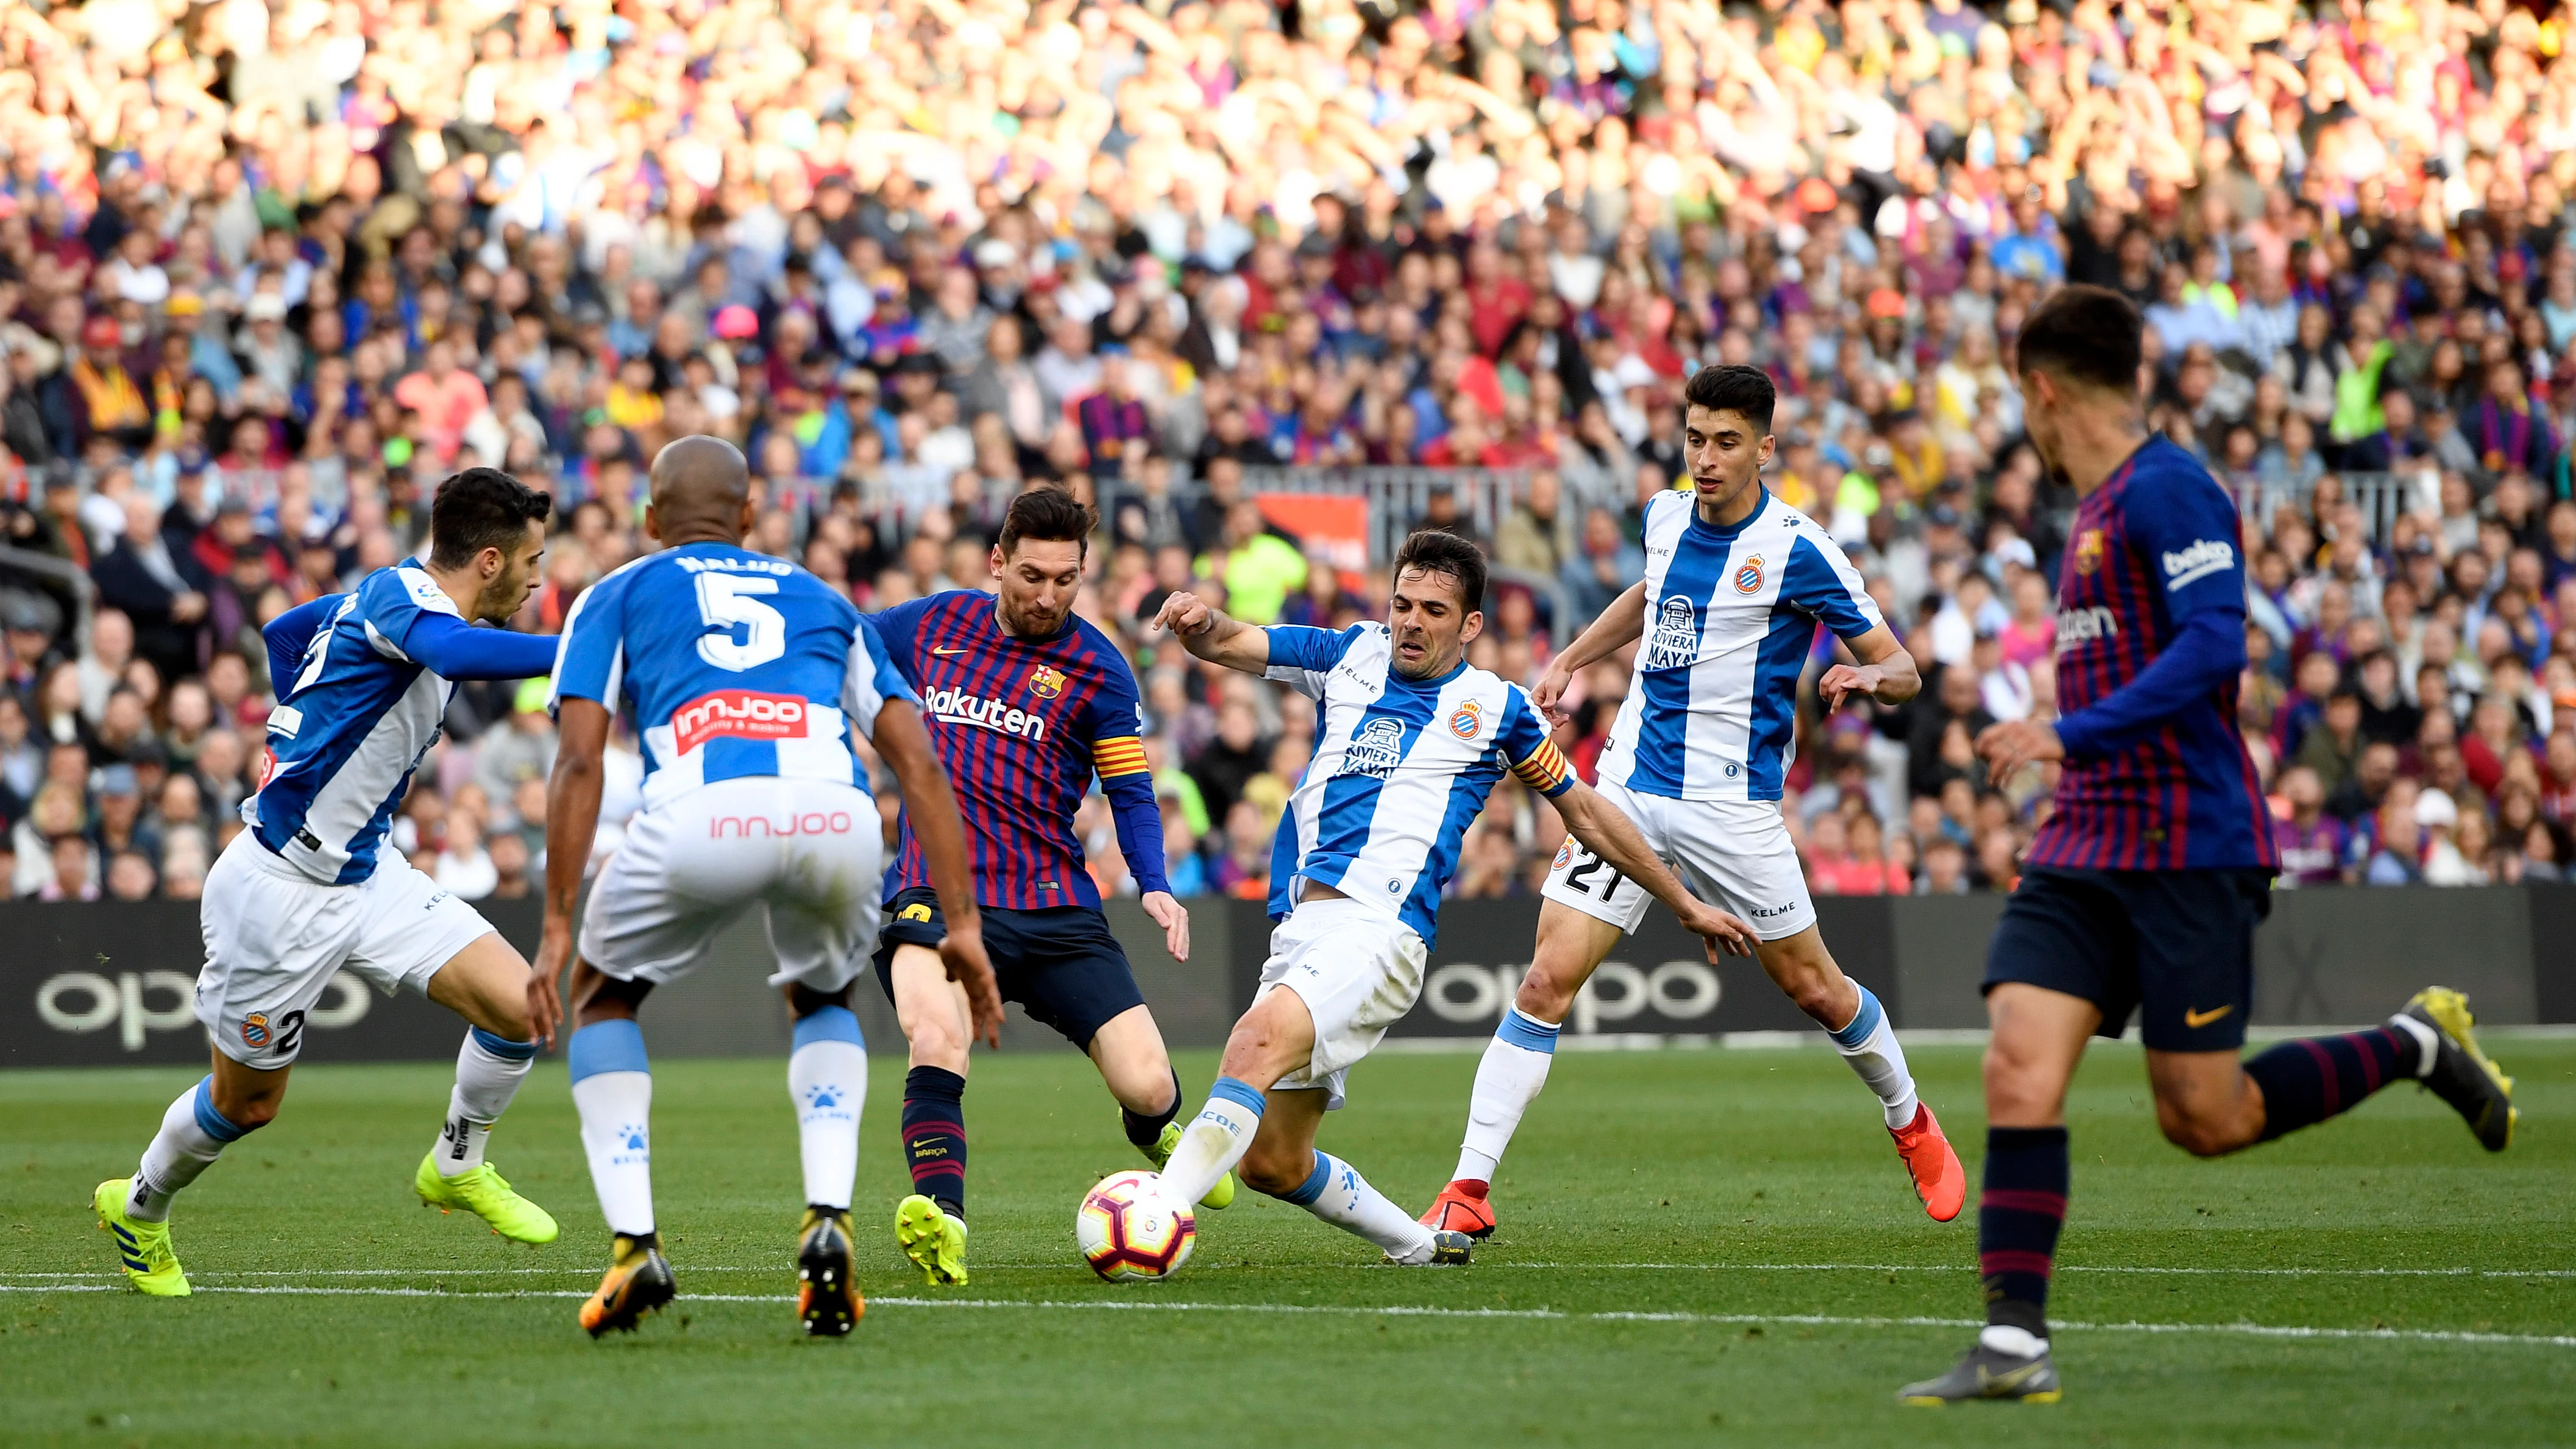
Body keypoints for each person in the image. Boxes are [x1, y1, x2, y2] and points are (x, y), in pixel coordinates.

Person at [1900, 286, 2518, 1406]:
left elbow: (2215, 647)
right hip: (2085, 837)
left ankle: (2416, 1043)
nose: (2022, 422)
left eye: (2019, 399)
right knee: (2016, 1059)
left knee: (2206, 1116)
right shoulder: (2089, 510)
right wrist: (2067, 748)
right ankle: (2011, 1340)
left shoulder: (2168, 487)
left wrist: (2062, 729)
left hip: (2187, 838)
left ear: (2042, 387)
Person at [1419, 364, 1962, 1242]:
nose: (1704, 459)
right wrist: (1573, 656)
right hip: (1628, 788)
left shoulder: (1798, 548)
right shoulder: (1664, 515)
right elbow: (1650, 593)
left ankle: (1907, 1116)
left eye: (1725, 442)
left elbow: (1904, 667)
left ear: (1764, 448)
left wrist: (1866, 673)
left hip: (1730, 810)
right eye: (1694, 439)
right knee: (1545, 977)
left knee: (1815, 990)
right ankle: (1466, 1187)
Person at [1144, 529, 1756, 1267]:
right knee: (1274, 1162)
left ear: (1469, 625)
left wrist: (1682, 900)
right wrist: (1197, 619)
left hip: (1379, 928)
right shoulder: (1351, 653)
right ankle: (1419, 1244)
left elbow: (1587, 815)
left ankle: (1153, 1216)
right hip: (1303, 929)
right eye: (1402, 603)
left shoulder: (1497, 709)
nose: (1411, 620)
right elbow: (1233, 640)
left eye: (1434, 609)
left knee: (1251, 1042)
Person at [533, 436, 1001, 1339]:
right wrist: (963, 922)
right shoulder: (825, 598)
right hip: (835, 814)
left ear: (649, 521)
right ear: (750, 518)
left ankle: (635, 1245)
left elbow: (580, 759)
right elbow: (920, 766)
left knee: (601, 995)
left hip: (699, 812)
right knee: (820, 992)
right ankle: (827, 1218)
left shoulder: (617, 590)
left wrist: (556, 927)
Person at [93, 467, 565, 1297]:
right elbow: (452, 651)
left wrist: (315, 725)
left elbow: (282, 633)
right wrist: (584, 649)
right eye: (531, 561)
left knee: (519, 1006)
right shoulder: (406, 606)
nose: (539, 579)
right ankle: (139, 1205)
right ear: (488, 561)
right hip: (278, 890)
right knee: (246, 1106)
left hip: (366, 870)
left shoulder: (384, 604)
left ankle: (456, 1163)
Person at [863, 486, 1222, 1289]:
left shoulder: (1097, 668)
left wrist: (1154, 882)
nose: (1047, 594)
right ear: (997, 561)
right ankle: (943, 1220)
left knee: (1148, 1081)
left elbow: (1128, 788)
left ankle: (1159, 1130)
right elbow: (835, 642)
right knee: (936, 1038)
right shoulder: (929, 625)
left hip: (1053, 904)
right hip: (937, 893)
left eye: (1065, 579)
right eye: (1030, 575)